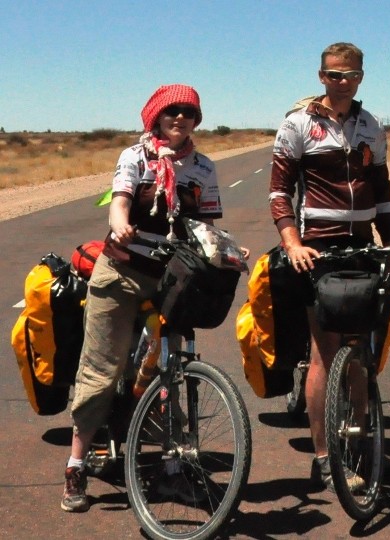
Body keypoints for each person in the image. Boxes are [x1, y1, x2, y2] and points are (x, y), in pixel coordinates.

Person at [62, 84, 244, 512]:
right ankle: (75, 464)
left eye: (189, 113)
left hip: (172, 279)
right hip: (122, 271)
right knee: (100, 372)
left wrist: (229, 251)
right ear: (157, 117)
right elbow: (119, 202)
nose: (180, 119)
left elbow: (207, 225)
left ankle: (173, 470)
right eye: (172, 111)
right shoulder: (136, 157)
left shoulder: (202, 167)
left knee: (171, 373)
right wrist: (121, 223)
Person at [268, 42, 390, 491]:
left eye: (353, 75)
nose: (344, 82)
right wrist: (292, 243)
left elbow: (382, 188)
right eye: (336, 75)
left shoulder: (370, 126)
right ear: (321, 76)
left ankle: (359, 438)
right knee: (323, 352)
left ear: (362, 76)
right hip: (317, 250)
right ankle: (323, 456)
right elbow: (279, 192)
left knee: (361, 351)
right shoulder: (298, 124)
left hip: (362, 247)